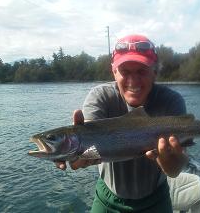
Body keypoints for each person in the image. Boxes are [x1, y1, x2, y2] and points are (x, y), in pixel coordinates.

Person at [56, 34, 189, 213]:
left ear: (155, 72)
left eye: (141, 71)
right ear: (114, 72)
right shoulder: (100, 96)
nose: (133, 81)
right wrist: (73, 152)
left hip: (155, 200)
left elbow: (173, 171)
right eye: (125, 72)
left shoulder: (171, 101)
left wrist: (167, 161)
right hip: (107, 199)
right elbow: (87, 144)